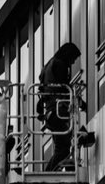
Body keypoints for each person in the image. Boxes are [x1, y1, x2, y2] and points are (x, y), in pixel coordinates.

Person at [37, 42, 94, 170]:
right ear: (68, 55)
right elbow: (65, 89)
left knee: (61, 148)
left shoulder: (49, 66)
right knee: (63, 149)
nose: (73, 63)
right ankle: (49, 176)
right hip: (59, 111)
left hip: (51, 112)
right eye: (73, 59)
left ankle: (52, 173)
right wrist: (80, 102)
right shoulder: (60, 65)